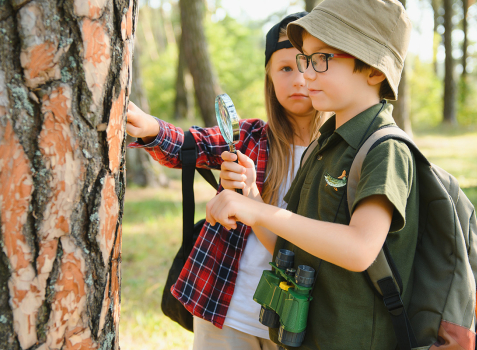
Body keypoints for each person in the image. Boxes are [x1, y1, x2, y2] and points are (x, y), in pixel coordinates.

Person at [207, 0, 417, 349]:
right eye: (306, 60)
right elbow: (288, 246)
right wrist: (252, 197)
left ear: (374, 71)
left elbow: (360, 248)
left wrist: (261, 211)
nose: (305, 75)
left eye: (321, 60)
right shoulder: (326, 145)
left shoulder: (385, 148)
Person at [126, 12, 327, 350]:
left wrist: (251, 195)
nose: (298, 80)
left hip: (298, 323)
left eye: (307, 64)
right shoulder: (249, 136)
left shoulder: (338, 155)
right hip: (226, 310)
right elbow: (189, 145)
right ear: (269, 77)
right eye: (285, 68)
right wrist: (150, 128)